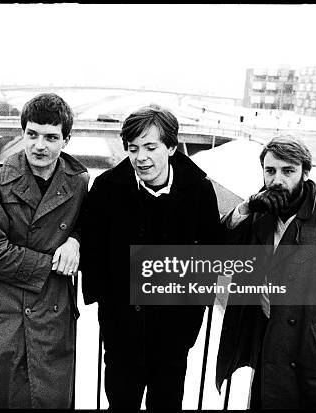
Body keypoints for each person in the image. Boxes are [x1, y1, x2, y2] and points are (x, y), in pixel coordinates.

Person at [215, 135, 316, 408]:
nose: (278, 180)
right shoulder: (260, 215)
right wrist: (245, 207)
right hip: (272, 351)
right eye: (270, 170)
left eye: (288, 170)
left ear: (305, 172)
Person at [80, 104, 224, 409]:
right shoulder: (106, 189)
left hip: (174, 334)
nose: (140, 157)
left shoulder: (199, 191)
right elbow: (93, 252)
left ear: (171, 147)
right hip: (122, 333)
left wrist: (190, 320)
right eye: (133, 149)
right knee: (121, 403)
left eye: (150, 147)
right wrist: (109, 312)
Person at [0, 93, 89, 408]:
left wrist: (77, 239)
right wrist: (52, 264)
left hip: (50, 314)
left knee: (46, 398)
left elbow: (91, 222)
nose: (39, 146)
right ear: (22, 134)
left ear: (66, 140)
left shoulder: (79, 181)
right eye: (32, 135)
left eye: (50, 137)